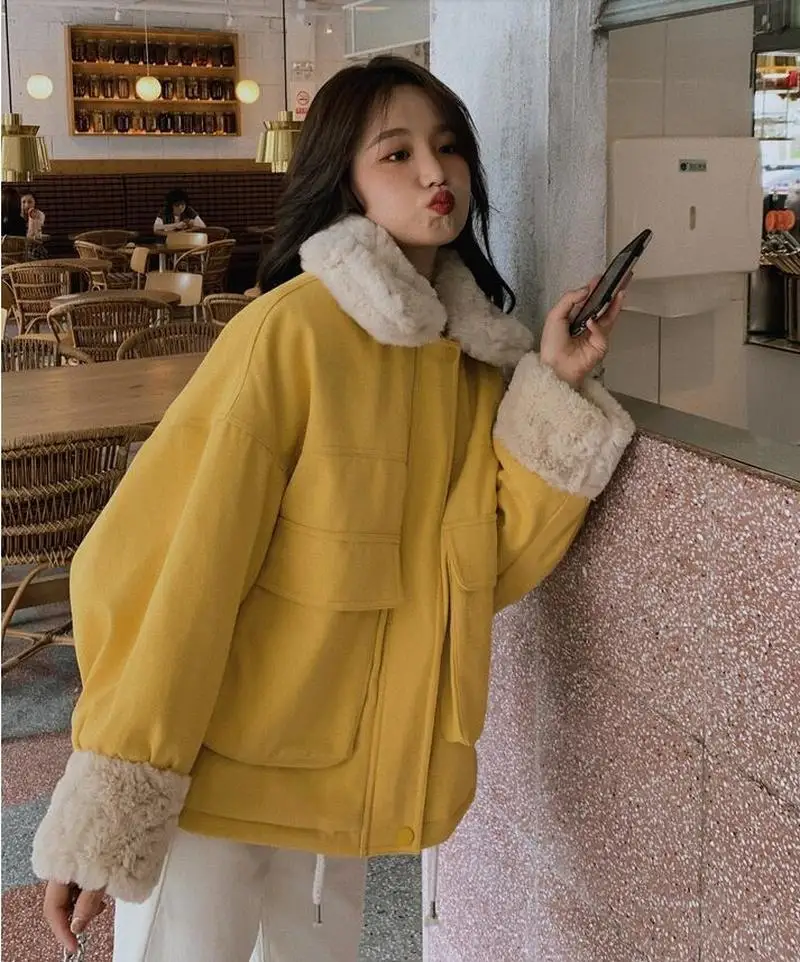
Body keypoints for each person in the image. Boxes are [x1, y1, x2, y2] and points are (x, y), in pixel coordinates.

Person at [34, 56, 635, 962]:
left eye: (448, 147)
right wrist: (111, 798)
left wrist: (554, 384)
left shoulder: (475, 370)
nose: (434, 172)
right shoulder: (292, 334)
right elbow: (174, 575)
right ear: (343, 180)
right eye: (396, 153)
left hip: (341, 793)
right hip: (215, 786)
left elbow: (487, 570)